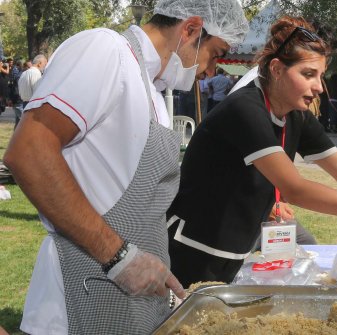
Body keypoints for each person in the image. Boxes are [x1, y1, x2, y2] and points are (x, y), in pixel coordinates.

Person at [3, 0, 249, 333]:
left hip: (128, 301)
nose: (209, 71)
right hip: (84, 291)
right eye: (216, 54)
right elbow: (29, 151)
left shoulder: (150, 86)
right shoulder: (105, 50)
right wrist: (119, 257)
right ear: (190, 29)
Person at [166, 17, 337, 286]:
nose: (319, 87)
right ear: (277, 69)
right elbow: (295, 189)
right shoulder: (245, 109)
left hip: (232, 252)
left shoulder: (295, 114)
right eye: (308, 74)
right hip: (192, 250)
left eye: (320, 75)